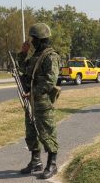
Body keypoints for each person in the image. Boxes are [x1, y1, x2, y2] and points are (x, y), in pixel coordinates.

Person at [17, 23, 61, 179]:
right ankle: (36, 161)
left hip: (42, 101)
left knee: (47, 133)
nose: (31, 41)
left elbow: (50, 80)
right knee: (31, 132)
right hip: (31, 100)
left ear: (40, 39)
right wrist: (23, 53)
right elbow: (22, 68)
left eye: (33, 39)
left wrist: (32, 93)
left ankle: (52, 164)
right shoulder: (35, 55)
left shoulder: (51, 56)